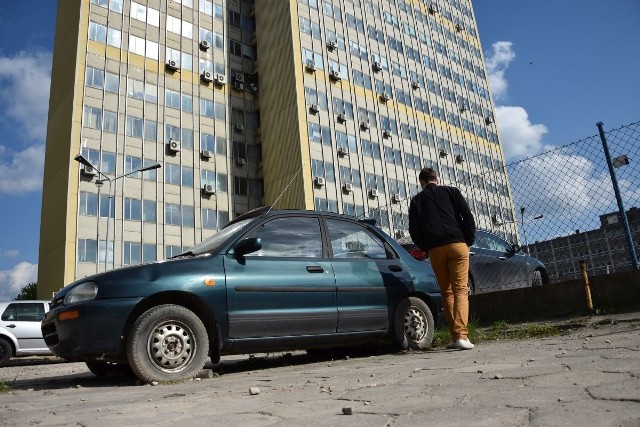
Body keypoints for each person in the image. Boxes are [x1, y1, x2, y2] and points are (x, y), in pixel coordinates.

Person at [408, 167, 476, 350]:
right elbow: (467, 216)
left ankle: (456, 338)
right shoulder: (452, 192)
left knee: (447, 292)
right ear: (436, 179)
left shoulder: (417, 201)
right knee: (461, 290)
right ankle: (462, 336)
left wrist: (427, 248)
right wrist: (468, 240)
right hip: (458, 244)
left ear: (422, 182)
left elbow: (414, 231)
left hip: (436, 249)